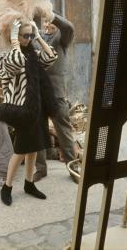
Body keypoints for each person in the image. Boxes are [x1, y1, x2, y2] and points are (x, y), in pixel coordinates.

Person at [0, 20, 59, 206]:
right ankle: (6, 187)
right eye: (26, 35)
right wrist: (15, 41)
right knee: (21, 150)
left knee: (34, 147)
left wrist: (39, 37)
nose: (28, 39)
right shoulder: (5, 57)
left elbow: (51, 57)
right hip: (22, 110)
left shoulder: (33, 54)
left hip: (38, 108)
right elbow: (16, 63)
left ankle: (29, 184)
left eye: (30, 35)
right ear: (14, 36)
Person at [33, 14, 77, 182]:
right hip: (38, 93)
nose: (47, 23)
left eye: (50, 21)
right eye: (45, 21)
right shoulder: (37, 37)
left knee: (64, 132)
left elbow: (69, 27)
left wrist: (52, 15)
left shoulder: (62, 38)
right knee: (39, 132)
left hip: (56, 94)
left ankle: (73, 168)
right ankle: (41, 169)